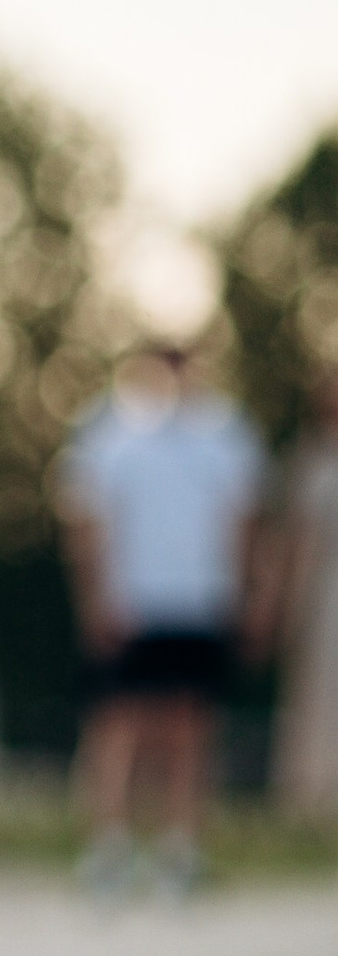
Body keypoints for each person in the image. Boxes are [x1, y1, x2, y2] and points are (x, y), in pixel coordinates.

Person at [58, 341, 268, 893]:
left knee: (192, 728)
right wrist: (94, 598)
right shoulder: (109, 431)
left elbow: (243, 520)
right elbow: (86, 521)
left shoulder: (226, 435)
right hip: (132, 602)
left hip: (200, 601)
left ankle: (182, 851)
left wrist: (245, 595)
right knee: (117, 727)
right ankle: (109, 850)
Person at [271, 368, 338, 817]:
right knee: (318, 694)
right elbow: (293, 543)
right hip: (325, 598)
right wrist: (283, 607)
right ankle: (313, 798)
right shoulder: (311, 460)